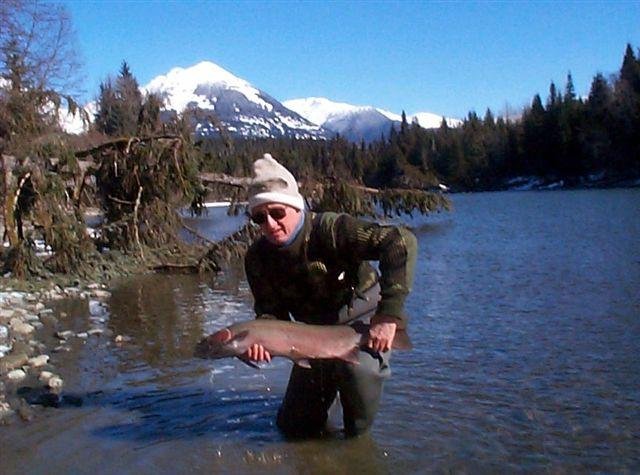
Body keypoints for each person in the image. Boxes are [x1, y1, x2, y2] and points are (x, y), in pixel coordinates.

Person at [243, 153, 417, 437]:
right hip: (311, 336)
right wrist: (261, 341)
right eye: (259, 218)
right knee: (294, 429)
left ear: (296, 207)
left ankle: (356, 443)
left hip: (363, 321)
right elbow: (270, 312)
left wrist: (389, 315)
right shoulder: (257, 259)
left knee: (358, 401)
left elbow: (400, 241)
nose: (270, 224)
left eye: (277, 213)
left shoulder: (332, 230)